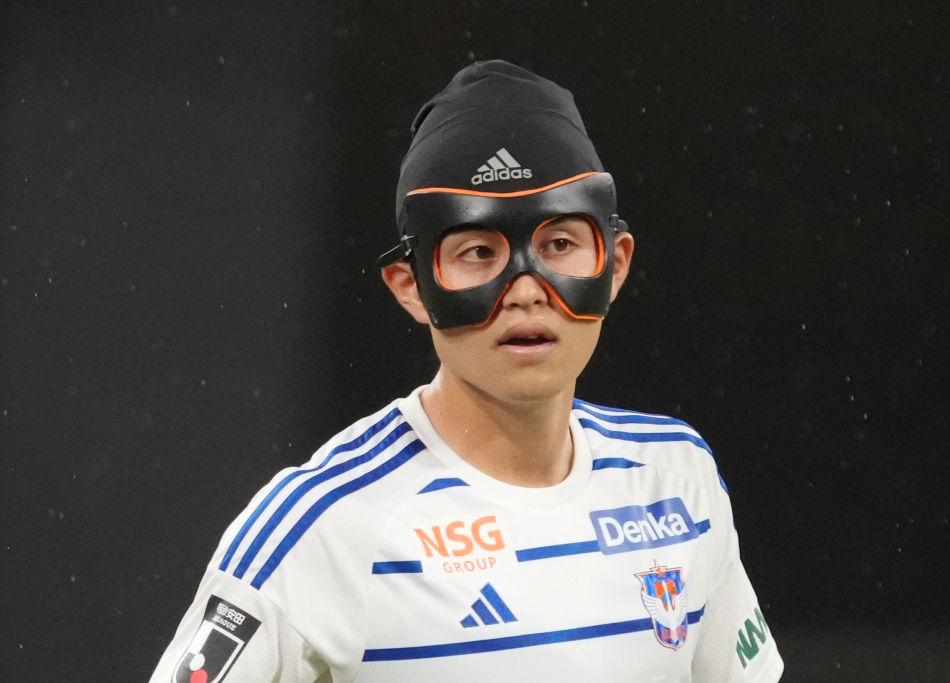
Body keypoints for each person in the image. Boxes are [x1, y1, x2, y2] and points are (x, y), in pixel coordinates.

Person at [151, 59, 783, 682]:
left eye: (560, 243)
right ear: (411, 286)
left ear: (614, 265)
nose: (526, 290)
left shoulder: (678, 479)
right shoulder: (322, 524)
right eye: (479, 251)